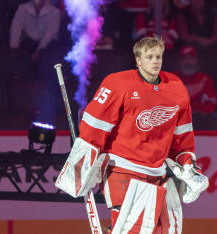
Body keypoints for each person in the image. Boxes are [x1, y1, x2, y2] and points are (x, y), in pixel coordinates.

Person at [76, 36, 208, 233]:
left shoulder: (176, 87)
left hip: (157, 172)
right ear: (138, 60)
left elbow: (182, 136)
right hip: (121, 169)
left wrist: (188, 163)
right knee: (129, 228)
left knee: (163, 229)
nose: (155, 61)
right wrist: (85, 161)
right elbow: (94, 125)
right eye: (149, 57)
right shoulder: (118, 83)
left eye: (158, 56)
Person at [175, 45, 217, 129]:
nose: (188, 61)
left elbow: (211, 103)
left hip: (199, 120)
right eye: (185, 58)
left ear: (196, 60)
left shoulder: (205, 79)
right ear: (180, 60)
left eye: (191, 58)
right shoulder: (172, 79)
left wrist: (203, 116)